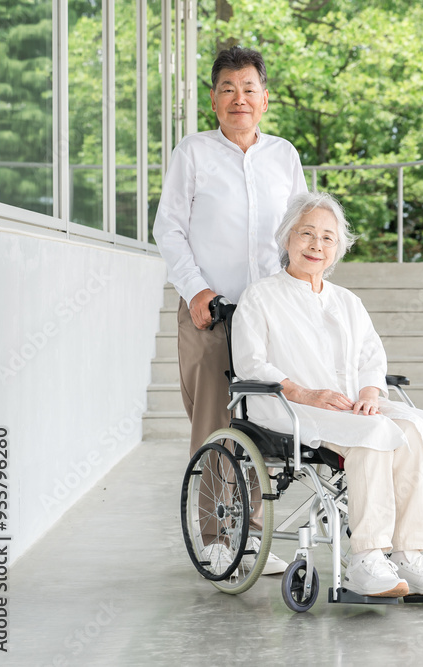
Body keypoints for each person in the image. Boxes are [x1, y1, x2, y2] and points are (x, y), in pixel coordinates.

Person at [231, 191, 423, 597]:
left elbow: (372, 356)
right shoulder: (260, 296)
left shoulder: (348, 302)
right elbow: (252, 364)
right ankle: (366, 559)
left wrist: (371, 391)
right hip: (286, 406)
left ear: (338, 250)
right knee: (371, 436)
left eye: (328, 238)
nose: (317, 245)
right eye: (307, 234)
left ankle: (409, 553)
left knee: (412, 428)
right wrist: (307, 394)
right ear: (287, 239)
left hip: (350, 403)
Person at [153, 46, 306, 575]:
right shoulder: (192, 153)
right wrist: (195, 289)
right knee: (215, 425)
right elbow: (168, 228)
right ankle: (218, 538)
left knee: (264, 422)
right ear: (213, 101)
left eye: (248, 89)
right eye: (227, 89)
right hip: (210, 312)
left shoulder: (284, 156)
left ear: (265, 99)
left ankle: (254, 534)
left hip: (268, 317)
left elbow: (299, 232)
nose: (239, 99)